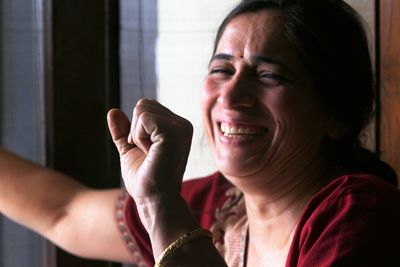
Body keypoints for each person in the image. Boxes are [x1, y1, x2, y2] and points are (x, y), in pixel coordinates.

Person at [1, 0, 400, 266]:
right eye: (222, 69)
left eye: (269, 75)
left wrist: (160, 205)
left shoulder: (359, 214)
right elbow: (64, 212)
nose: (232, 94)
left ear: (336, 115)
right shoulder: (213, 204)